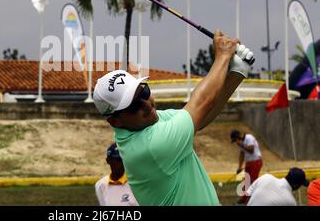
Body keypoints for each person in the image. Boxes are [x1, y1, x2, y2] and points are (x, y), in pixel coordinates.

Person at [93, 30, 254, 205]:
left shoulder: (146, 124)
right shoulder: (151, 147)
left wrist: (238, 71)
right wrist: (222, 56)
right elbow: (202, 103)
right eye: (133, 105)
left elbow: (201, 116)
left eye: (144, 92)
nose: (146, 104)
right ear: (114, 121)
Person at [230, 129, 263, 204]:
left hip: (256, 161)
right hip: (249, 162)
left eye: (235, 140)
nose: (236, 142)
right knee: (246, 181)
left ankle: (254, 199)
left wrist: (241, 144)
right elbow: (242, 155)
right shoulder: (242, 143)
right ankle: (244, 199)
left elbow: (251, 150)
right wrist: (239, 167)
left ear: (238, 137)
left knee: (253, 181)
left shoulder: (249, 138)